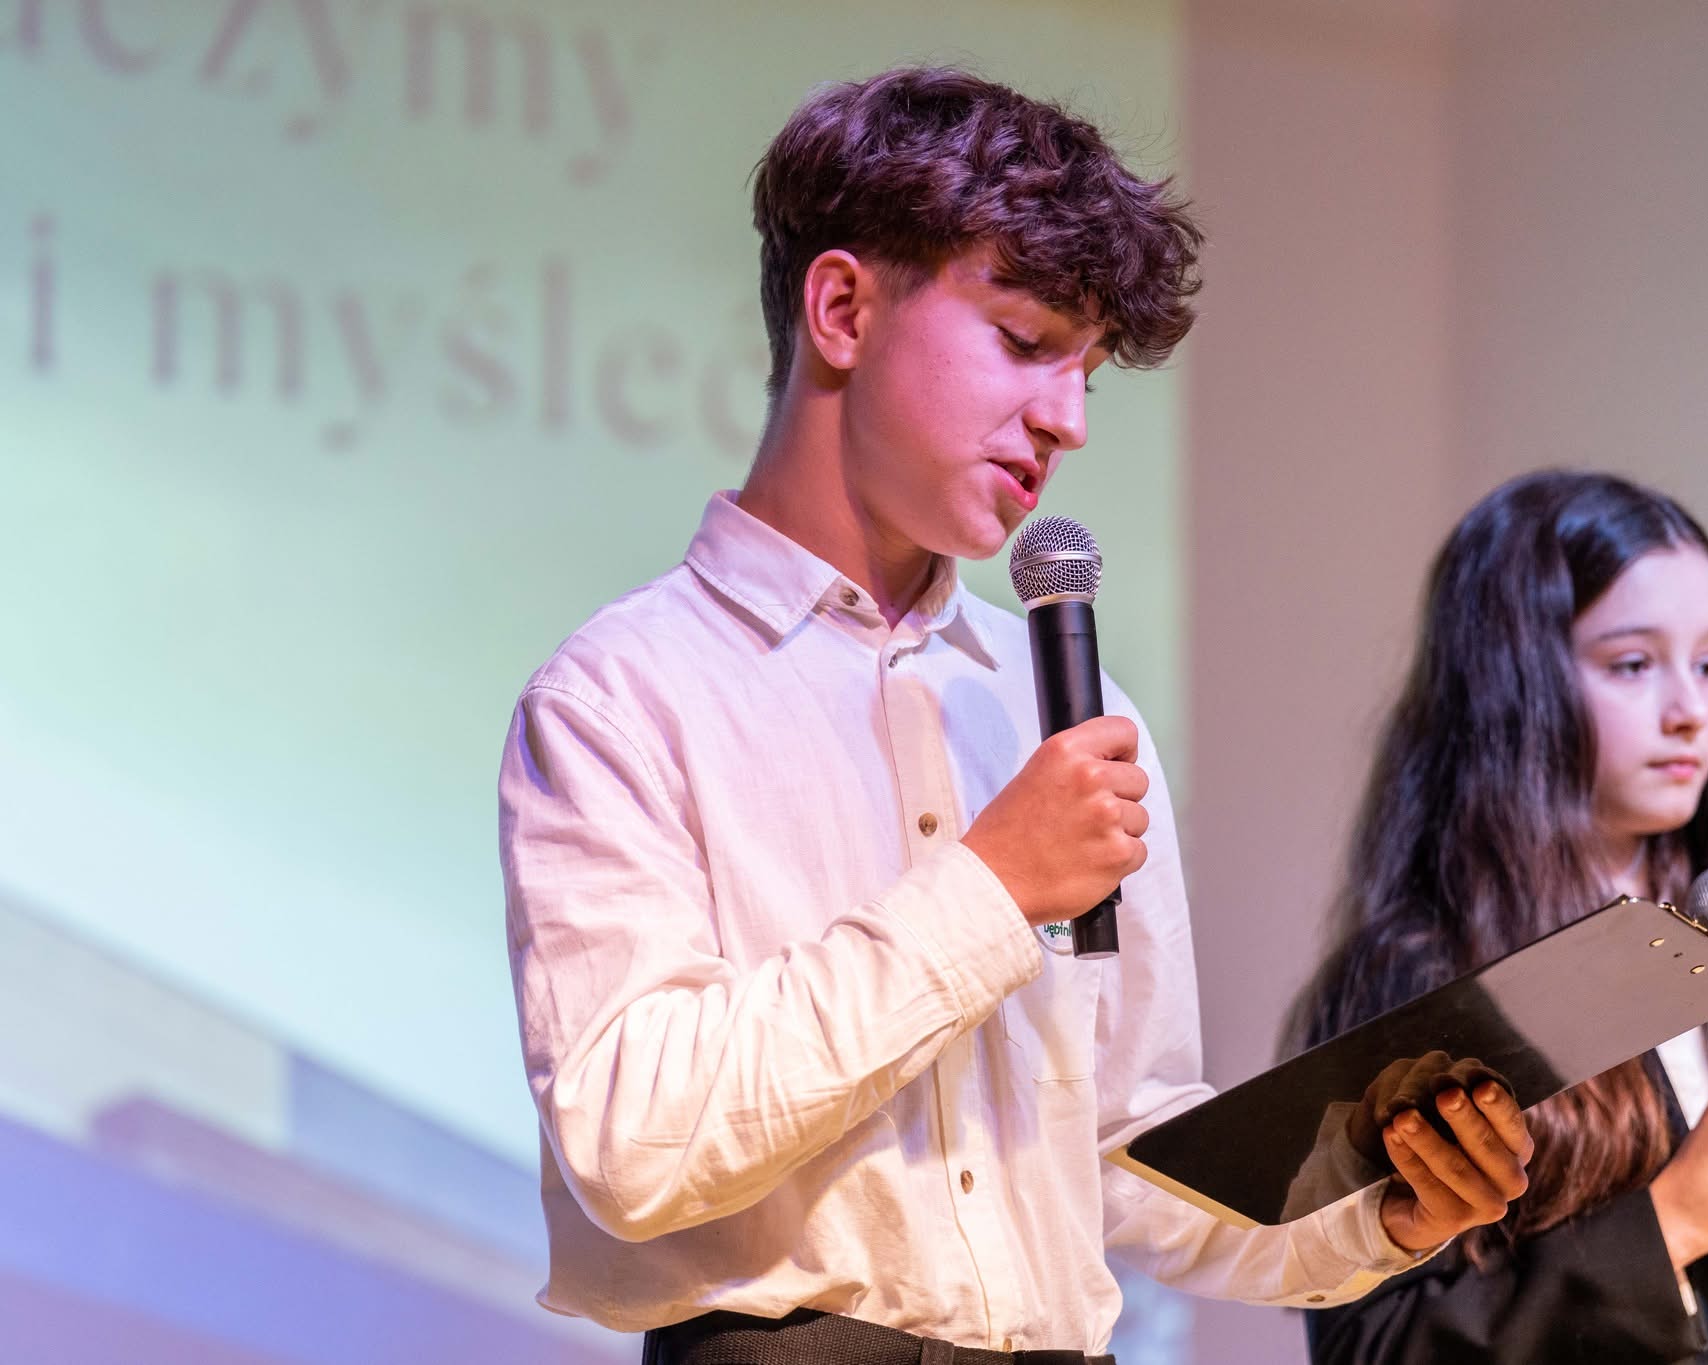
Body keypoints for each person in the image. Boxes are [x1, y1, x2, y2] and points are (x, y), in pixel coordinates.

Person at [498, 67, 1532, 1365]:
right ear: (841, 308)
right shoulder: (623, 695)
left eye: (1088, 371)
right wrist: (989, 889)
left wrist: (1383, 1205)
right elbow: (630, 1142)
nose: (1068, 421)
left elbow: (1126, 1152)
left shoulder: (1060, 705)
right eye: (1027, 343)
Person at [1288, 470, 1708, 1364]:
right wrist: (1668, 1225)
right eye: (1633, 664)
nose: (1689, 711)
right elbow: (1375, 1346)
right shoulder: (1421, 973)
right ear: (1516, 683)